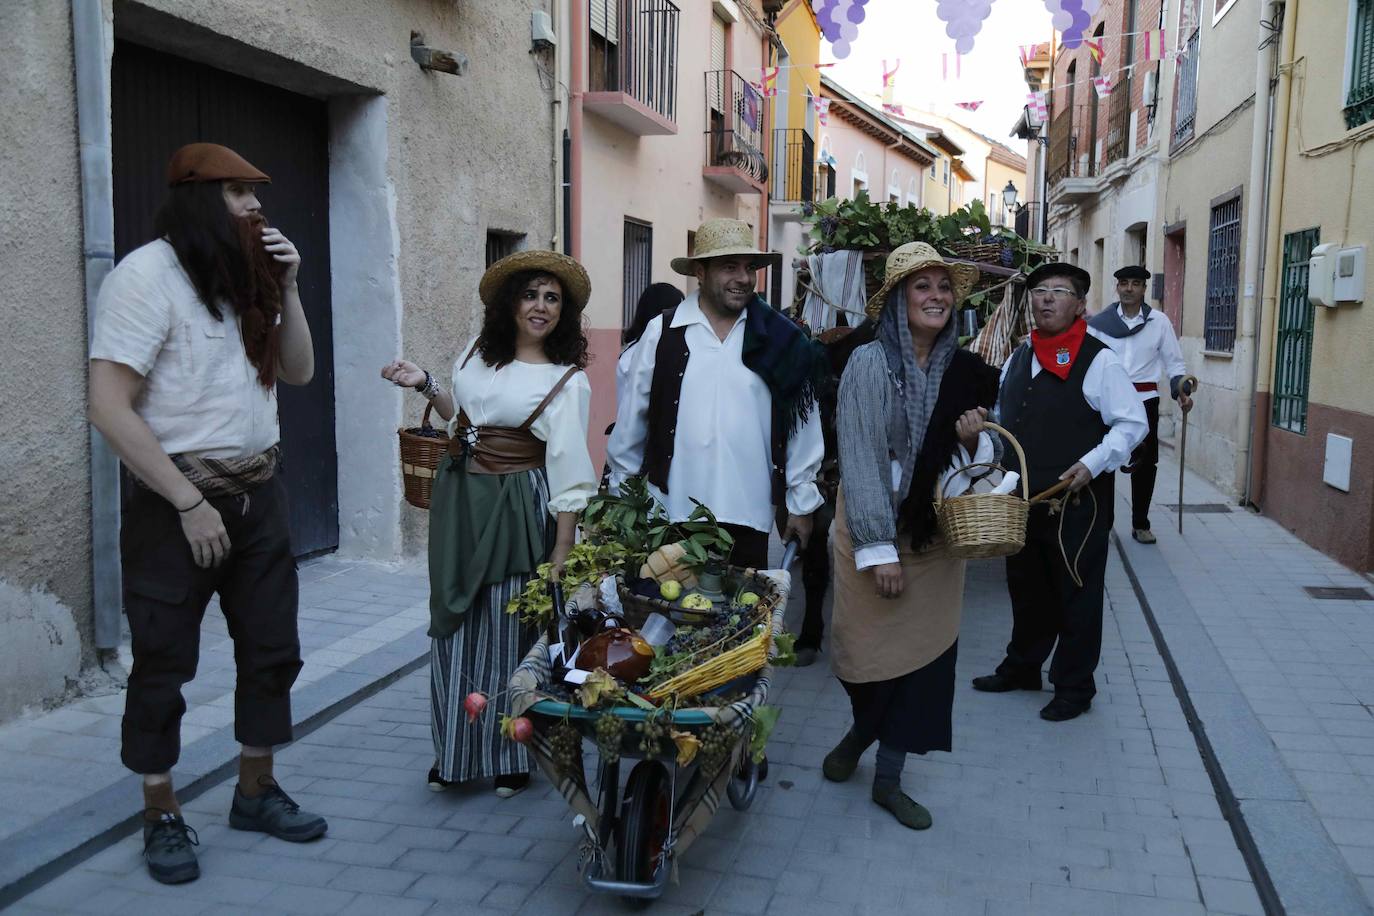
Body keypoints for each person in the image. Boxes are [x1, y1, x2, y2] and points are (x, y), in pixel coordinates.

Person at [88, 143, 327, 885]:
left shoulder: (249, 275)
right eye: (237, 194)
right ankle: (160, 809)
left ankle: (254, 788)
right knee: (164, 661)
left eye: (256, 192)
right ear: (198, 200)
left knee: (272, 650)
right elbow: (107, 405)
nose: (256, 205)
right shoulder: (145, 276)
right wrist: (187, 501)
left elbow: (298, 370)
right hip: (177, 504)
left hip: (263, 494)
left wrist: (288, 287)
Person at [381, 250, 596, 799]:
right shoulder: (478, 353)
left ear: (563, 313)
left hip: (516, 505)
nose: (541, 306)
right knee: (454, 624)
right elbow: (460, 413)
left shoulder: (566, 381)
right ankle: (453, 753)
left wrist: (563, 546)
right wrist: (426, 383)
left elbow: (570, 468)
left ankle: (510, 754)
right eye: (531, 294)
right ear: (509, 303)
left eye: (552, 298)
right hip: (459, 500)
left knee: (506, 628)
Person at [823, 243, 1001, 829]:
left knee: (924, 667)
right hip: (869, 532)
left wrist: (976, 440)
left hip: (933, 543)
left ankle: (889, 779)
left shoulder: (967, 371)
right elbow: (861, 457)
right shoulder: (868, 363)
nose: (936, 298)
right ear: (899, 300)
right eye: (922, 287)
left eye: (944, 288)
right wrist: (878, 551)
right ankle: (860, 731)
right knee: (859, 658)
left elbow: (984, 463)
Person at [970, 263, 1148, 722]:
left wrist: (1092, 464)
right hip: (1022, 501)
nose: (1047, 298)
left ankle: (1074, 687)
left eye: (1060, 292)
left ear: (1080, 305)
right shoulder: (1018, 356)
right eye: (1040, 290)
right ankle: (1023, 667)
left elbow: (1133, 423)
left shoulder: (1100, 359)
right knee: (1026, 587)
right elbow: (1004, 423)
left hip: (1078, 503)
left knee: (1077, 592)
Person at [606, 218, 824, 567]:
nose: (743, 278)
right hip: (670, 516)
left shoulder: (781, 337)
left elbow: (803, 427)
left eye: (749, 267)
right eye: (729, 266)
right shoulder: (663, 331)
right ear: (700, 273)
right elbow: (632, 420)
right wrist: (621, 498)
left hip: (749, 518)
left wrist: (801, 504)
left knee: (741, 619)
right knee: (667, 618)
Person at [1088, 265, 1192, 543]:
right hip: (1107, 403)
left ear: (1144, 289)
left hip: (1145, 400)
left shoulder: (1159, 322)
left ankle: (1140, 524)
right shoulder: (1099, 324)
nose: (1129, 288)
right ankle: (1103, 522)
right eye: (1124, 283)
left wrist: (1181, 389)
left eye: (1135, 283)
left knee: (1146, 464)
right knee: (1104, 460)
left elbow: (1174, 361)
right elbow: (1088, 363)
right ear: (1117, 287)